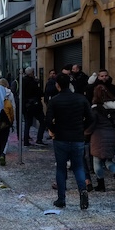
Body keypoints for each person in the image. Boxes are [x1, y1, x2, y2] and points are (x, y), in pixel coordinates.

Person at [46, 73, 92, 209]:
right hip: (77, 137)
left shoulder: (54, 101)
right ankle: (82, 191)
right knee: (78, 166)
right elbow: (90, 117)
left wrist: (54, 130)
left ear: (57, 85)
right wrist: (82, 128)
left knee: (61, 168)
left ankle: (61, 198)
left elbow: (48, 120)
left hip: (61, 137)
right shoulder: (81, 99)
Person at [85, 84, 115, 193]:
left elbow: (91, 124)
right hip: (111, 135)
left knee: (97, 161)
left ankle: (101, 184)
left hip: (98, 136)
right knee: (108, 160)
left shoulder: (95, 109)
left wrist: (85, 133)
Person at [21, 66, 47, 146]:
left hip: (26, 105)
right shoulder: (33, 82)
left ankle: (26, 140)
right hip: (35, 105)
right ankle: (39, 139)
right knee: (43, 121)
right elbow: (39, 93)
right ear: (32, 73)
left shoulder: (22, 81)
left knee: (28, 123)